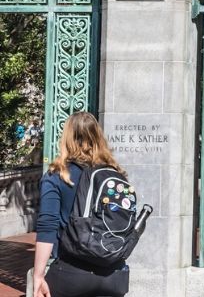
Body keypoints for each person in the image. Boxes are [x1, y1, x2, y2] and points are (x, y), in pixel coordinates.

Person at [32, 112, 134, 297]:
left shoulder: (57, 176)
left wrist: (38, 276)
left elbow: (48, 226)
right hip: (113, 275)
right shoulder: (114, 175)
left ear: (67, 138)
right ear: (98, 137)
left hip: (71, 273)